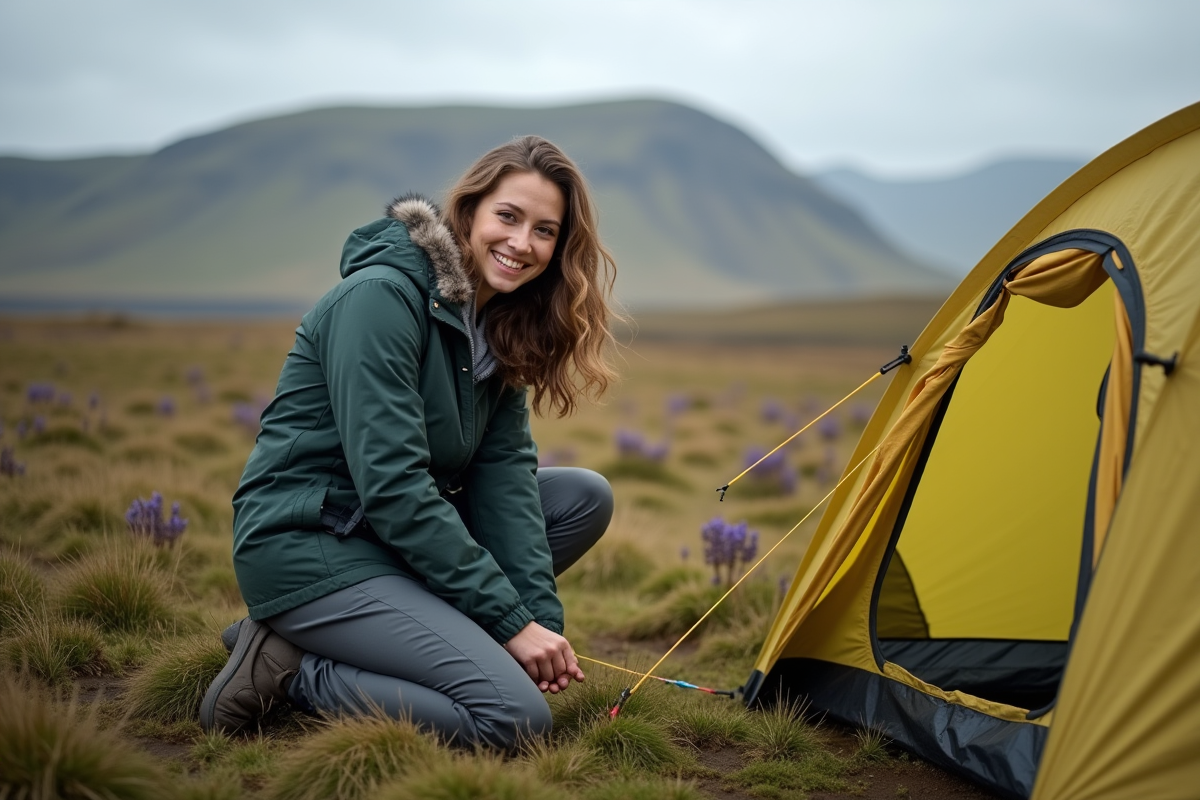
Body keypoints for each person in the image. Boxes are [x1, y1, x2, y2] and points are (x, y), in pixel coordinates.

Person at [200, 136, 619, 749]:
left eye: (545, 231)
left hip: (386, 540)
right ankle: (293, 669)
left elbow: (503, 479)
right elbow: (394, 488)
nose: (522, 243)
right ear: (469, 211)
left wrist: (536, 627)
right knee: (514, 720)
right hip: (311, 544)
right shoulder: (381, 299)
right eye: (508, 216)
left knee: (581, 497)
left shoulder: (495, 322)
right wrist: (506, 625)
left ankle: (412, 629)